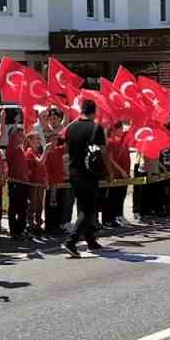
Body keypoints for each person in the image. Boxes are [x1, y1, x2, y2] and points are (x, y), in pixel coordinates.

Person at [63, 98, 107, 256]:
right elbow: (102, 152)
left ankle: (90, 239)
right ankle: (71, 240)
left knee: (83, 206)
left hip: (74, 171)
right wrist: (107, 171)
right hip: (90, 173)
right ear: (94, 112)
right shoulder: (96, 128)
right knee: (88, 208)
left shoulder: (70, 128)